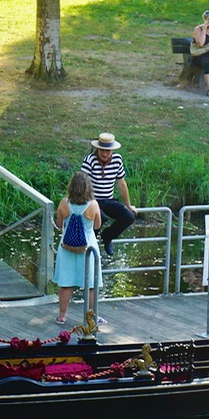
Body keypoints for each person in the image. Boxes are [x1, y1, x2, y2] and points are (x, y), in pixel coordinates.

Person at [53, 171, 102, 325]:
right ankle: (92, 317)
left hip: (66, 248)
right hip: (88, 249)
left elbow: (60, 225)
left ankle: (62, 316)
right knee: (91, 285)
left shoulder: (63, 203)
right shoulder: (93, 204)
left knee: (66, 283)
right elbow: (97, 225)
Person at [79, 132, 136, 258]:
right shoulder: (90, 160)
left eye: (107, 151)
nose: (105, 154)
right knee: (101, 217)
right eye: (102, 150)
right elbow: (82, 184)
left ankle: (107, 237)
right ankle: (90, 245)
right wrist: (89, 202)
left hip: (108, 199)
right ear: (98, 149)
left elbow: (121, 184)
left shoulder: (117, 159)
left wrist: (128, 205)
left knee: (129, 216)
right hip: (92, 200)